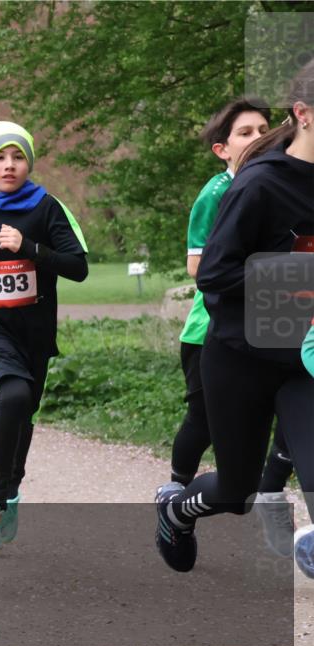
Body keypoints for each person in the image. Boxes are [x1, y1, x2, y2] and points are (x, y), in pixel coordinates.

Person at [155, 60, 314, 574]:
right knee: (236, 489)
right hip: (240, 357)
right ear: (303, 114)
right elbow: (215, 276)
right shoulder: (259, 186)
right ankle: (177, 509)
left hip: (302, 360)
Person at [0, 121, 88, 549]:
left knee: (24, 413)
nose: (9, 166)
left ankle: (9, 494)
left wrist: (28, 247)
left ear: (29, 162)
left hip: (35, 331)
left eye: (18, 156)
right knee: (13, 395)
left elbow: (78, 267)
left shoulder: (47, 208)